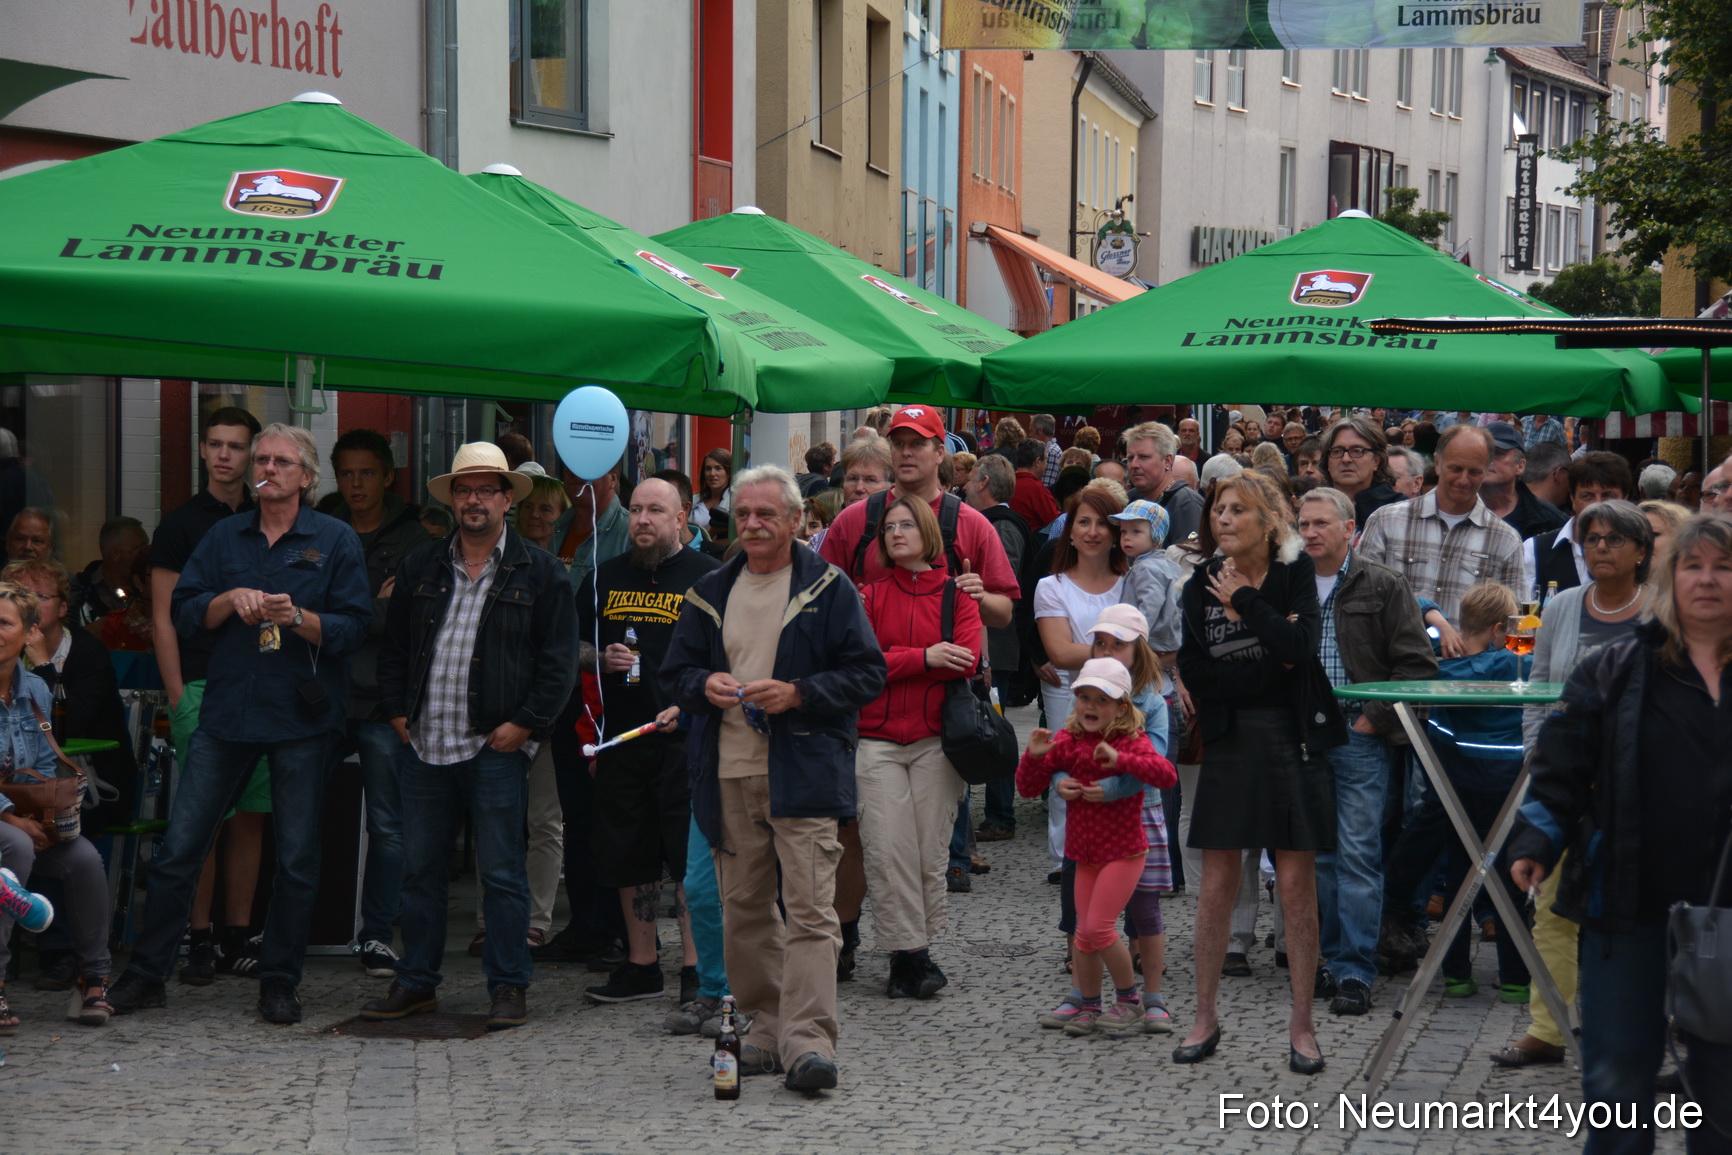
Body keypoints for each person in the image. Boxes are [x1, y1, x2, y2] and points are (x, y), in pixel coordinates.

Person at [108, 423, 372, 1025]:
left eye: (281, 461)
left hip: (301, 719)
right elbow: (184, 610)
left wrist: (299, 616)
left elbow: (357, 627)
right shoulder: (225, 536)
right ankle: (147, 974)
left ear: (306, 477)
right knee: (180, 848)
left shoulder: (333, 539)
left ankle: (279, 980)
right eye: (262, 460)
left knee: (298, 858)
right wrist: (230, 600)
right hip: (227, 713)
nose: (267, 468)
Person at [1508, 513, 1732, 1149]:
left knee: (1722, 1091)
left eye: (1724, 566)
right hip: (1627, 902)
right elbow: (1561, 767)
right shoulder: (1617, 669)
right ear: (1669, 577)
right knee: (1615, 1081)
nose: (1708, 580)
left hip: (1729, 907)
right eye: (1693, 566)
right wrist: (1537, 840)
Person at [662, 465, 888, 1093]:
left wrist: (799, 693)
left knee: (813, 913)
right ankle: (764, 1028)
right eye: (745, 514)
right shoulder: (710, 589)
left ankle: (809, 1044)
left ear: (796, 520)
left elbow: (866, 674)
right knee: (744, 912)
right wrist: (702, 686)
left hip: (804, 771)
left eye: (767, 514)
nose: (754, 524)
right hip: (728, 773)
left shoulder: (829, 586)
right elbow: (675, 675)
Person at [360, 443, 576, 1031]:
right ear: (452, 499)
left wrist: (525, 724)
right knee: (420, 870)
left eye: (485, 489)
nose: (473, 500)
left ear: (508, 498)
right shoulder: (421, 566)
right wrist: (398, 712)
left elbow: (557, 664)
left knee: (502, 873)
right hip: (424, 743)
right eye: (463, 489)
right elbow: (396, 650)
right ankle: (417, 982)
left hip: (495, 745)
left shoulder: (543, 571)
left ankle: (508, 985)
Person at [818, 407, 1018, 978]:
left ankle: (906, 949)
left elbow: (1004, 613)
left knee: (924, 846)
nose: (906, 453)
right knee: (862, 838)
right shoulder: (855, 521)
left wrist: (977, 597)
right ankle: (854, 941)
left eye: (919, 443)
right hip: (866, 718)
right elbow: (819, 602)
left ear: (941, 454)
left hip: (943, 719)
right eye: (898, 442)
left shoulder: (970, 524)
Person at [1175, 470, 1346, 1073]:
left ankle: (1302, 1025)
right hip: (1229, 741)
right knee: (1218, 884)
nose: (1223, 518)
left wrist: (1245, 603)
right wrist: (1267, 665)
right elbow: (1197, 671)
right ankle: (1204, 1016)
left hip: (1290, 739)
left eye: (1237, 510)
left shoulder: (1294, 573)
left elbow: (1301, 653)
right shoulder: (1197, 585)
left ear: (1267, 521)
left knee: (1296, 886)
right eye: (1219, 509)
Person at [1490, 500, 1657, 1069]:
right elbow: (1538, 683)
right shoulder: (1561, 606)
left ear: (1641, 551)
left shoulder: (1661, 611)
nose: (1601, 547)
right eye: (1593, 538)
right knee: (1551, 910)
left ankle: (1650, 1031)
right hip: (1567, 781)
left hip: (1642, 786)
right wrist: (1539, 755)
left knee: (1644, 911)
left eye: (1614, 538)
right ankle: (1549, 1026)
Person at [575, 478, 716, 1006]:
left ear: (681, 518)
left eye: (656, 510)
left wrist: (693, 700)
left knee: (688, 859)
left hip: (687, 742)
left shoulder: (710, 577)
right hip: (621, 741)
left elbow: (731, 655)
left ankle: (695, 969)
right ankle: (641, 966)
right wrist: (597, 658)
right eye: (635, 510)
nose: (642, 520)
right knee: (627, 856)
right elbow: (569, 647)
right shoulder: (602, 578)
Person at [1296, 488, 1436, 1018]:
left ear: (1349, 528)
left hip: (1357, 733)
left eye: (1320, 523)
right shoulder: (1289, 583)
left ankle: (1356, 968)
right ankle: (1332, 960)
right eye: (1303, 524)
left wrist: (1370, 718)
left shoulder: (1381, 582)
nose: (1309, 533)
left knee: (1357, 854)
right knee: (1321, 858)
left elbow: (1417, 667)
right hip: (1303, 735)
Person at [144, 406, 269, 984]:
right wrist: (175, 694)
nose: (224, 455)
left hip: (262, 687)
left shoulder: (272, 514)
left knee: (249, 818)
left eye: (236, 446)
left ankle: (237, 936)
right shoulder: (178, 524)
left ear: (251, 455)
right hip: (199, 685)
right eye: (215, 444)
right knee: (202, 822)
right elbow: (164, 617)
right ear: (201, 451)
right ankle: (197, 938)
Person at [854, 493, 980, 1000]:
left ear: (927, 531)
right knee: (887, 851)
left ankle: (912, 953)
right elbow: (861, 664)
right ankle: (912, 957)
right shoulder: (868, 596)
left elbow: (967, 659)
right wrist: (924, 657)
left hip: (937, 740)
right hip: (876, 739)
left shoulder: (956, 594)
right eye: (889, 527)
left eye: (907, 525)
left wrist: (899, 659)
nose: (897, 533)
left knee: (927, 853)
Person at [1017, 657, 1175, 1038]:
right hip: (1083, 855)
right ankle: (1089, 1005)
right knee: (1083, 933)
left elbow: (1166, 775)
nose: (1089, 706)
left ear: (1121, 706)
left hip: (1123, 853)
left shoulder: (1130, 740)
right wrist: (1035, 757)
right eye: (1083, 697)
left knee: (1098, 928)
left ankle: (1130, 1000)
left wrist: (1122, 759)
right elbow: (1026, 788)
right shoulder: (1068, 740)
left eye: (1101, 700)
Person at [325, 429, 432, 978]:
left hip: (384, 702)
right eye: (347, 473)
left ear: (388, 476)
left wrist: (347, 616)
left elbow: (411, 621)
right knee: (300, 815)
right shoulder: (320, 529)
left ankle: (374, 934)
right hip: (322, 697)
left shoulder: (414, 540)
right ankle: (301, 927)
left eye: (368, 472)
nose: (357, 483)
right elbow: (314, 614)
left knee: (389, 826)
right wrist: (370, 609)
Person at [1395, 584, 1533, 1000]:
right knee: (1511, 883)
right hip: (1507, 790)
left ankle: (1455, 975)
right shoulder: (1517, 667)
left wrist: (1437, 620)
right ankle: (1515, 981)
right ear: (1498, 628)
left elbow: (1408, 602)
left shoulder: (1438, 671)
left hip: (1456, 790)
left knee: (1457, 878)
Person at [0, 583, 115, 1030]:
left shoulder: (35, 691)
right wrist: (11, 817)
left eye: (5, 623)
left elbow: (45, 765)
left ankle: (95, 979)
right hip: (7, 822)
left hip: (24, 814)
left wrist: (49, 817)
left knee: (84, 857)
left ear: (30, 634)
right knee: (16, 847)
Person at [1035, 487, 1130, 877]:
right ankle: (1066, 858)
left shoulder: (1133, 580)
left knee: (1121, 771)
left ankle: (1119, 851)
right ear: (1069, 532)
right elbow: (1059, 652)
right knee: (1068, 771)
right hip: (1068, 690)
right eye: (1083, 522)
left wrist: (1093, 651)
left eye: (1102, 523)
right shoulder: (1052, 586)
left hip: (1127, 698)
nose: (1092, 532)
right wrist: (1120, 652)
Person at [7, 558, 136, 837]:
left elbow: (65, 727)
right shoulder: (5, 649)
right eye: (20, 596)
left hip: (91, 787)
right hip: (20, 782)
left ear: (63, 607)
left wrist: (43, 667)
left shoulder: (88, 653)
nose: (29, 605)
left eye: (41, 596)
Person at [1358, 424, 1525, 624]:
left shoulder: (1505, 539)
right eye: (1455, 469)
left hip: (1467, 656)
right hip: (1394, 654)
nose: (1463, 480)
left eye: (1474, 472)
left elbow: (1514, 621)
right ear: (1437, 464)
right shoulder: (1386, 521)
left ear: (1486, 471)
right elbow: (1361, 599)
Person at [963, 453, 1032, 844]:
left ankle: (1001, 814)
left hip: (997, 649)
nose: (967, 484)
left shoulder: (1001, 527)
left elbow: (1001, 584)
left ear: (985, 482)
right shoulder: (994, 523)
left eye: (972, 477)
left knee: (995, 731)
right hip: (991, 646)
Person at [1522, 451, 1635, 597]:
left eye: (1608, 496)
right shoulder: (1535, 550)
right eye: (1587, 496)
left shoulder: (1636, 549)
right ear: (1572, 499)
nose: (1598, 505)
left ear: (1625, 499)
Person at [1479, 422, 1567, 541]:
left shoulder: (1551, 522)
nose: (1488, 459)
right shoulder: (1454, 508)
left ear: (1520, 465)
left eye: (1498, 453)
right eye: (1481, 453)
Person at [1124, 421, 1204, 546]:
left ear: (1167, 461)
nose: (1134, 465)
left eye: (1144, 457)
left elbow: (1189, 562)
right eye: (1130, 458)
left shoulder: (1186, 504)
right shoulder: (1130, 499)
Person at [1318, 417, 1402, 529]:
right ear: (1327, 461)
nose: (1346, 459)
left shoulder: (1398, 509)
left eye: (1357, 451)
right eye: (1337, 451)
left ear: (1376, 460)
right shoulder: (1313, 507)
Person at [69, 516, 148, 628]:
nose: (146, 553)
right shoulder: (80, 592)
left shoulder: (150, 587)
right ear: (115, 554)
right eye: (139, 548)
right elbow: (72, 639)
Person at [1010, 440, 1062, 534]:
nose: (1046, 464)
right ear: (1037, 461)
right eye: (1046, 460)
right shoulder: (1037, 489)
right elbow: (1055, 522)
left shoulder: (1007, 483)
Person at [514, 472, 570, 552]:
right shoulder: (504, 553)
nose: (534, 514)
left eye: (545, 509)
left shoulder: (575, 557)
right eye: (528, 507)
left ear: (563, 516)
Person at [694, 448, 733, 536]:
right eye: (708, 469)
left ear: (729, 471)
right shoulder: (694, 501)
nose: (712, 473)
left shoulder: (736, 500)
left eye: (718, 468)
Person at [1030, 414, 1063, 486]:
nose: (1030, 435)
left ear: (1040, 431)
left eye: (1031, 431)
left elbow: (1047, 485)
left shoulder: (1051, 452)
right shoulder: (1048, 450)